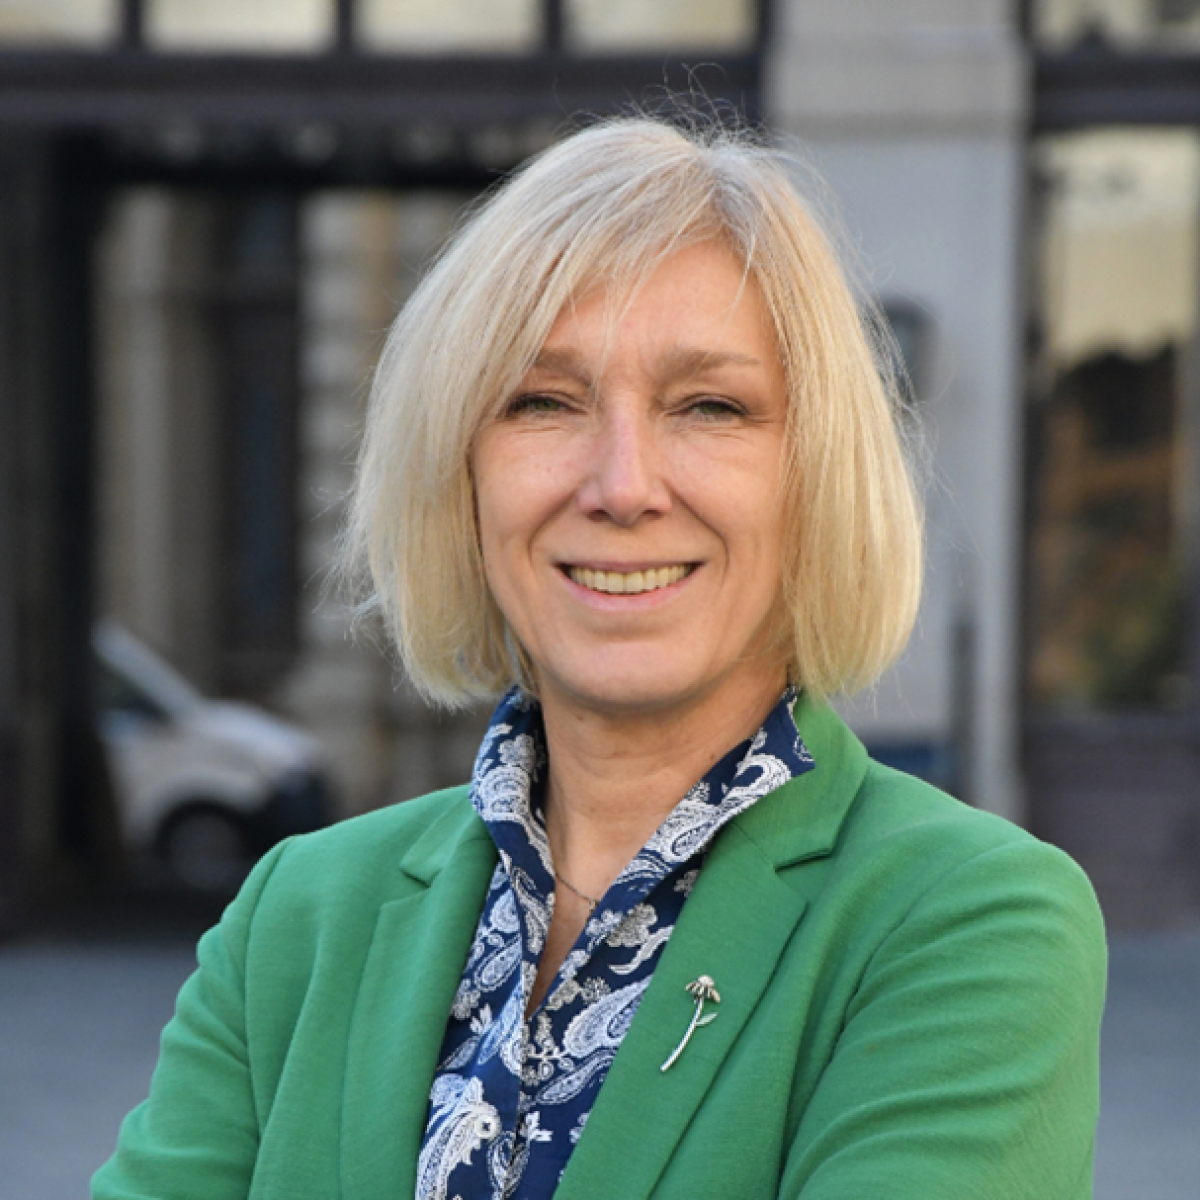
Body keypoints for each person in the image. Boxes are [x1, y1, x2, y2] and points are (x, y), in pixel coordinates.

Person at [93, 116, 1106, 1200]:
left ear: (812, 479)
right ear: (461, 475)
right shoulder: (295, 917)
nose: (622, 485)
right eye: (542, 401)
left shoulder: (968, 922)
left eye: (709, 406)